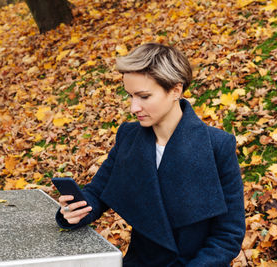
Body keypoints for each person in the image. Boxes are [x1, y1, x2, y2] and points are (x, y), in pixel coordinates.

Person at [55, 43, 245, 267]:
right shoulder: (129, 137)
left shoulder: (218, 146)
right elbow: (98, 193)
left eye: (144, 96)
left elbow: (228, 235)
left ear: (175, 90)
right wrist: (76, 210)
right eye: (130, 96)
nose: (134, 107)